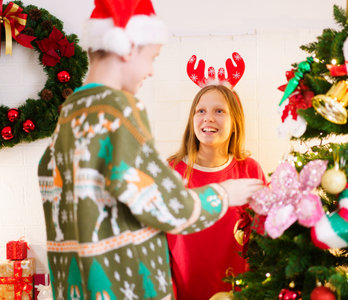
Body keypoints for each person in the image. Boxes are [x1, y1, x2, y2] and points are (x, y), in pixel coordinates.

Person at [36, 1, 263, 299]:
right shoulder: (116, 112)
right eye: (151, 57)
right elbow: (167, 205)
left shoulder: (70, 116)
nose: (152, 71)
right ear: (128, 50)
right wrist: (226, 194)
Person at [166, 65, 267, 299]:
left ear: (235, 123)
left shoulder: (250, 170)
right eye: (200, 111)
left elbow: (262, 242)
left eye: (219, 111)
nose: (208, 118)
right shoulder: (170, 171)